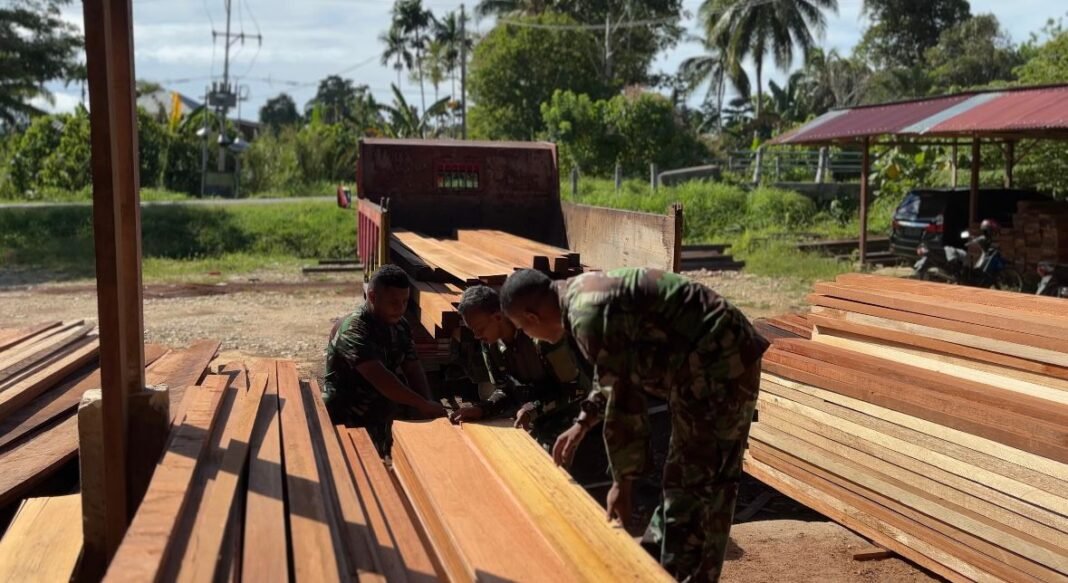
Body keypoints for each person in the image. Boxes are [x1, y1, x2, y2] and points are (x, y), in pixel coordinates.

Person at [499, 267, 769, 583]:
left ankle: (694, 575)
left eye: (522, 329)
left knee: (709, 483)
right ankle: (657, 565)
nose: (528, 336)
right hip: (699, 365)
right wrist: (583, 423)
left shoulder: (586, 314)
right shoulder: (578, 296)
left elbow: (626, 403)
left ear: (531, 317)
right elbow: (613, 371)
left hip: (722, 362)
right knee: (684, 475)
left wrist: (622, 484)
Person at [449, 285, 591, 450]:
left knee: (547, 458)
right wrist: (482, 409)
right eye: (473, 331)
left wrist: (534, 409)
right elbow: (506, 391)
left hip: (583, 413)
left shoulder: (542, 335)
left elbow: (577, 389)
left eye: (480, 329)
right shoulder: (491, 344)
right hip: (544, 416)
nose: (477, 336)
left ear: (497, 317)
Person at [323, 264, 445, 456]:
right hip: (346, 419)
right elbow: (381, 378)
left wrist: (429, 403)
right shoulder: (354, 329)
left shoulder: (399, 325)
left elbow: (412, 366)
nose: (401, 308)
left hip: (380, 416)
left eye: (405, 302)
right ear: (372, 297)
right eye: (394, 302)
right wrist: (421, 404)